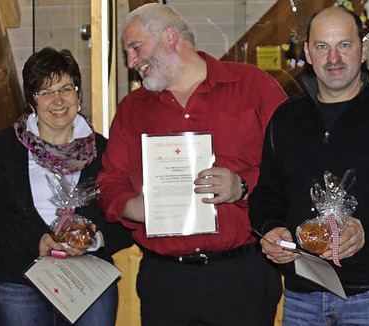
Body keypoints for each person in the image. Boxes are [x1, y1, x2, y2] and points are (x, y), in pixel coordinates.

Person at [96, 3, 287, 325]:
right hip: (165, 281)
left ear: (170, 37)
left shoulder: (253, 86)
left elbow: (290, 165)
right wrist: (131, 207)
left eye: (135, 48)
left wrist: (242, 185)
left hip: (243, 276)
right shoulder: (131, 109)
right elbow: (108, 181)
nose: (131, 62)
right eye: (127, 52)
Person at [249, 7, 369, 325]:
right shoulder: (285, 118)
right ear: (308, 52)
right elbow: (266, 193)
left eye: (344, 45)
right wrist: (271, 230)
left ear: (364, 49)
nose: (333, 58)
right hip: (301, 298)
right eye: (323, 46)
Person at [0, 47, 133, 325]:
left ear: (78, 95)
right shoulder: (6, 148)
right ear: (32, 102)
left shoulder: (105, 150)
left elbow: (127, 216)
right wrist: (35, 240)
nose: (58, 100)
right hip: (17, 284)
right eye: (45, 92)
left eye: (66, 88)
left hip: (88, 285)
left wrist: (95, 239)